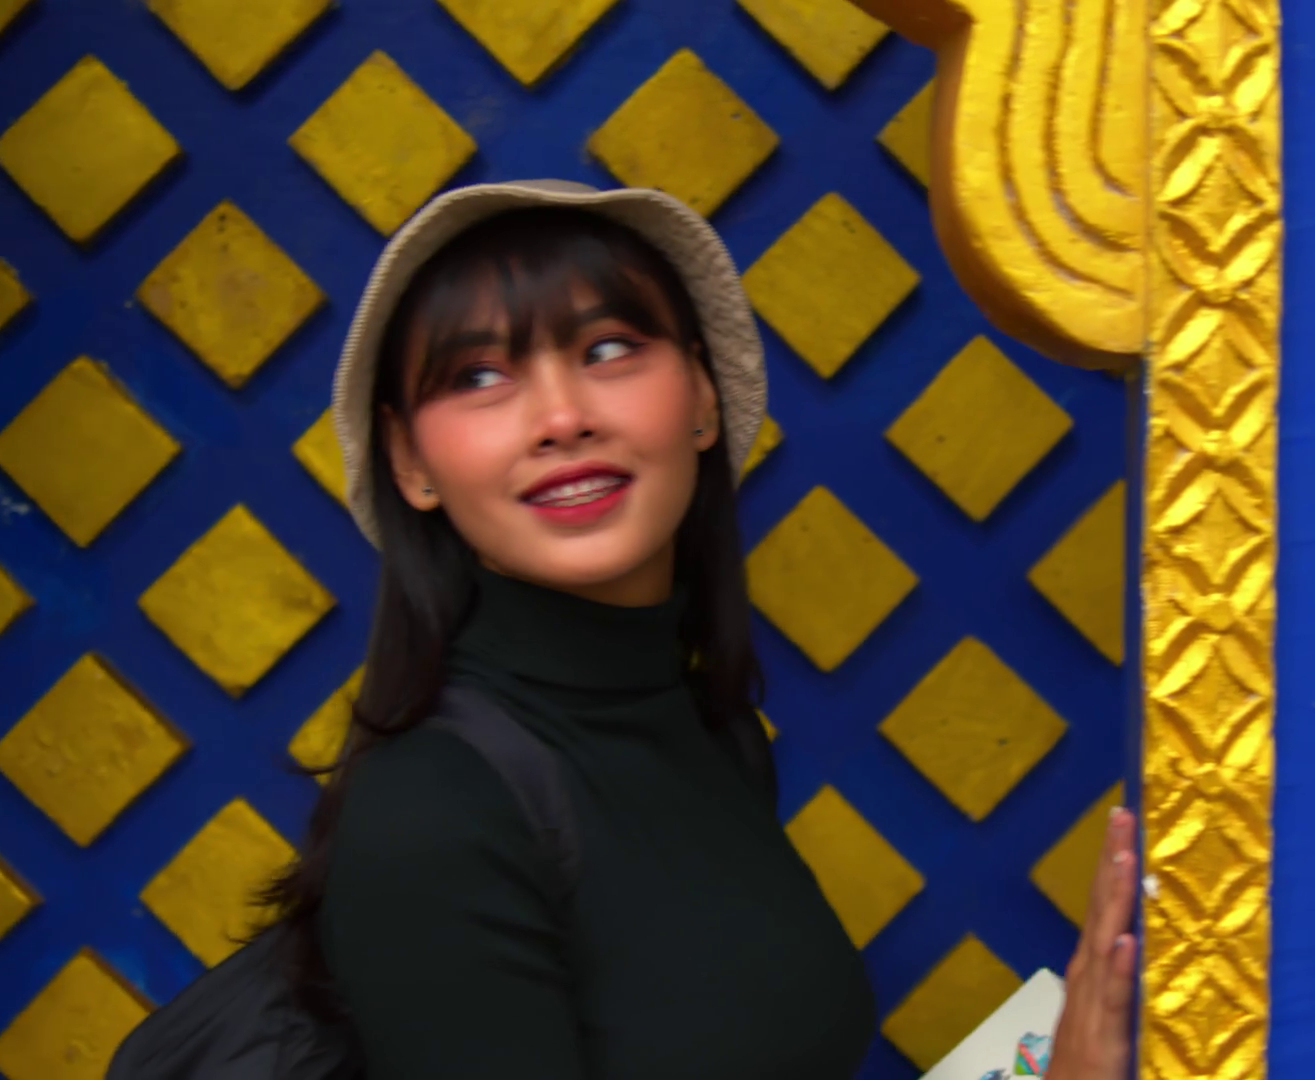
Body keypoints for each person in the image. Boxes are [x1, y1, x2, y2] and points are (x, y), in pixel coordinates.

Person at [265, 180, 1140, 1078]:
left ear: (704, 400)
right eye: (478, 377)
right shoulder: (433, 812)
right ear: (409, 459)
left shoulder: (715, 731)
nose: (562, 418)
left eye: (608, 349)